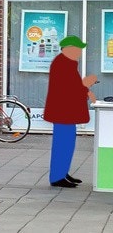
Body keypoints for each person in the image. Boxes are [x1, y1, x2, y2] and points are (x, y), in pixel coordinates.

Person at [46, 34, 96, 187]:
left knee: (67, 143)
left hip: (64, 112)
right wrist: (87, 84)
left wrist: (85, 88)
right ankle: (57, 177)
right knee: (63, 144)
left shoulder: (65, 63)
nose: (80, 53)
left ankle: (62, 173)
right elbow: (70, 90)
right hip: (63, 112)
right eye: (78, 50)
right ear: (68, 49)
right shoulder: (64, 64)